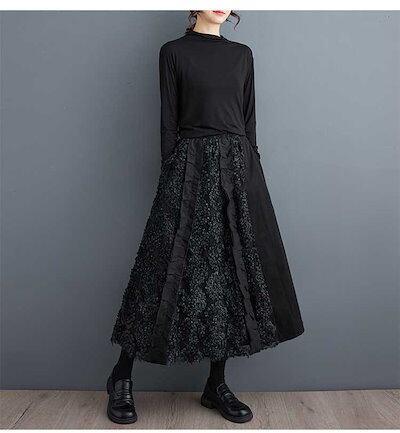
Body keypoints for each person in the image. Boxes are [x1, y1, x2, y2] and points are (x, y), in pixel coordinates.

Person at [107, 10, 304, 424]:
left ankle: (216, 384)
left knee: (230, 273)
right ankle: (121, 376)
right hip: (188, 168)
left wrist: (251, 169)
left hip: (237, 170)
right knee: (159, 269)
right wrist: (172, 174)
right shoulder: (173, 52)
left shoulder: (242, 55)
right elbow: (168, 123)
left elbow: (249, 123)